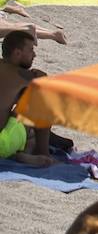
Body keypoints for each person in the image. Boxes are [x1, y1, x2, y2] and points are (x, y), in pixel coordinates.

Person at [0, 31, 54, 166]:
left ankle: (22, 153)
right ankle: (42, 152)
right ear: (17, 53)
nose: (34, 55)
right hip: (2, 145)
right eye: (31, 50)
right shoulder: (21, 74)